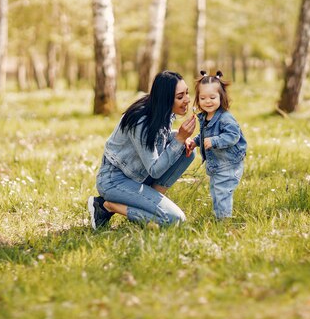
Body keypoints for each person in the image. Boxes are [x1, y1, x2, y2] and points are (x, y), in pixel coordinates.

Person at [88, 71, 197, 229]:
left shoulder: (161, 111)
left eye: (186, 93)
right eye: (180, 97)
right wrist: (179, 139)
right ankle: (107, 206)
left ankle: (147, 203)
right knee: (176, 220)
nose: (187, 99)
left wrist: (178, 138)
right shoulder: (141, 121)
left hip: (138, 177)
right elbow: (155, 170)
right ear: (165, 99)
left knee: (187, 153)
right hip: (114, 181)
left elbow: (158, 138)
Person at [185, 71, 247, 219]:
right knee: (216, 191)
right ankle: (219, 215)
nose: (208, 101)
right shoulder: (205, 117)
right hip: (217, 165)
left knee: (222, 192)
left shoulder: (225, 118)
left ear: (221, 97)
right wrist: (195, 141)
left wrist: (215, 141)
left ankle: (223, 221)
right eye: (203, 98)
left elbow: (233, 136)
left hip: (229, 165)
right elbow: (205, 135)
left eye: (213, 97)